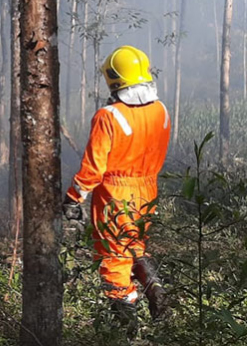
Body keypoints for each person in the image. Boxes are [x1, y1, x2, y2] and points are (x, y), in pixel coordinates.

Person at [63, 45, 171, 328]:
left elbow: (93, 167)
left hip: (115, 195)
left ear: (114, 78)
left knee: (113, 258)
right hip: (148, 192)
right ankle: (155, 288)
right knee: (134, 246)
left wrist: (74, 198)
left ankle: (126, 329)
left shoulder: (108, 116)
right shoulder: (161, 111)